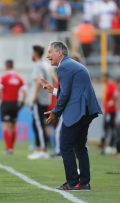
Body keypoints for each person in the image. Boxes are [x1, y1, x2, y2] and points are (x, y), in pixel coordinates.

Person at [40, 41, 102, 191]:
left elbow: (67, 94)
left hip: (79, 110)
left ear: (59, 53)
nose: (48, 56)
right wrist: (53, 90)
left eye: (50, 52)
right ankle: (84, 182)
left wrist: (55, 112)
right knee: (80, 146)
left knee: (65, 146)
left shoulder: (64, 66)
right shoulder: (70, 64)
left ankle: (73, 182)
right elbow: (69, 92)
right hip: (86, 110)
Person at [27, 45, 52, 160]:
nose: (31, 55)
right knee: (36, 124)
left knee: (38, 125)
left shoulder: (38, 65)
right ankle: (38, 148)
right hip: (45, 99)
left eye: (32, 52)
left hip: (39, 100)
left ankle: (43, 149)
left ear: (35, 53)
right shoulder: (45, 65)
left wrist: (34, 96)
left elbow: (39, 81)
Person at [0, 59, 27, 155]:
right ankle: (11, 148)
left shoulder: (3, 77)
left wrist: (0, 96)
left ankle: (7, 148)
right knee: (13, 127)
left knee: (5, 126)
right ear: (13, 66)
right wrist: (22, 102)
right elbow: (24, 92)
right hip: (15, 104)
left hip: (5, 103)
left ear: (6, 66)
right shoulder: (19, 78)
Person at [100, 73, 118, 155]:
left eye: (103, 77)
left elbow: (116, 94)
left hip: (111, 111)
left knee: (109, 128)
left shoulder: (111, 85)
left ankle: (109, 146)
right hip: (108, 111)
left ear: (106, 77)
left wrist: (112, 101)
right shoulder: (107, 85)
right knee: (107, 128)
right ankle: (106, 146)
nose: (101, 78)